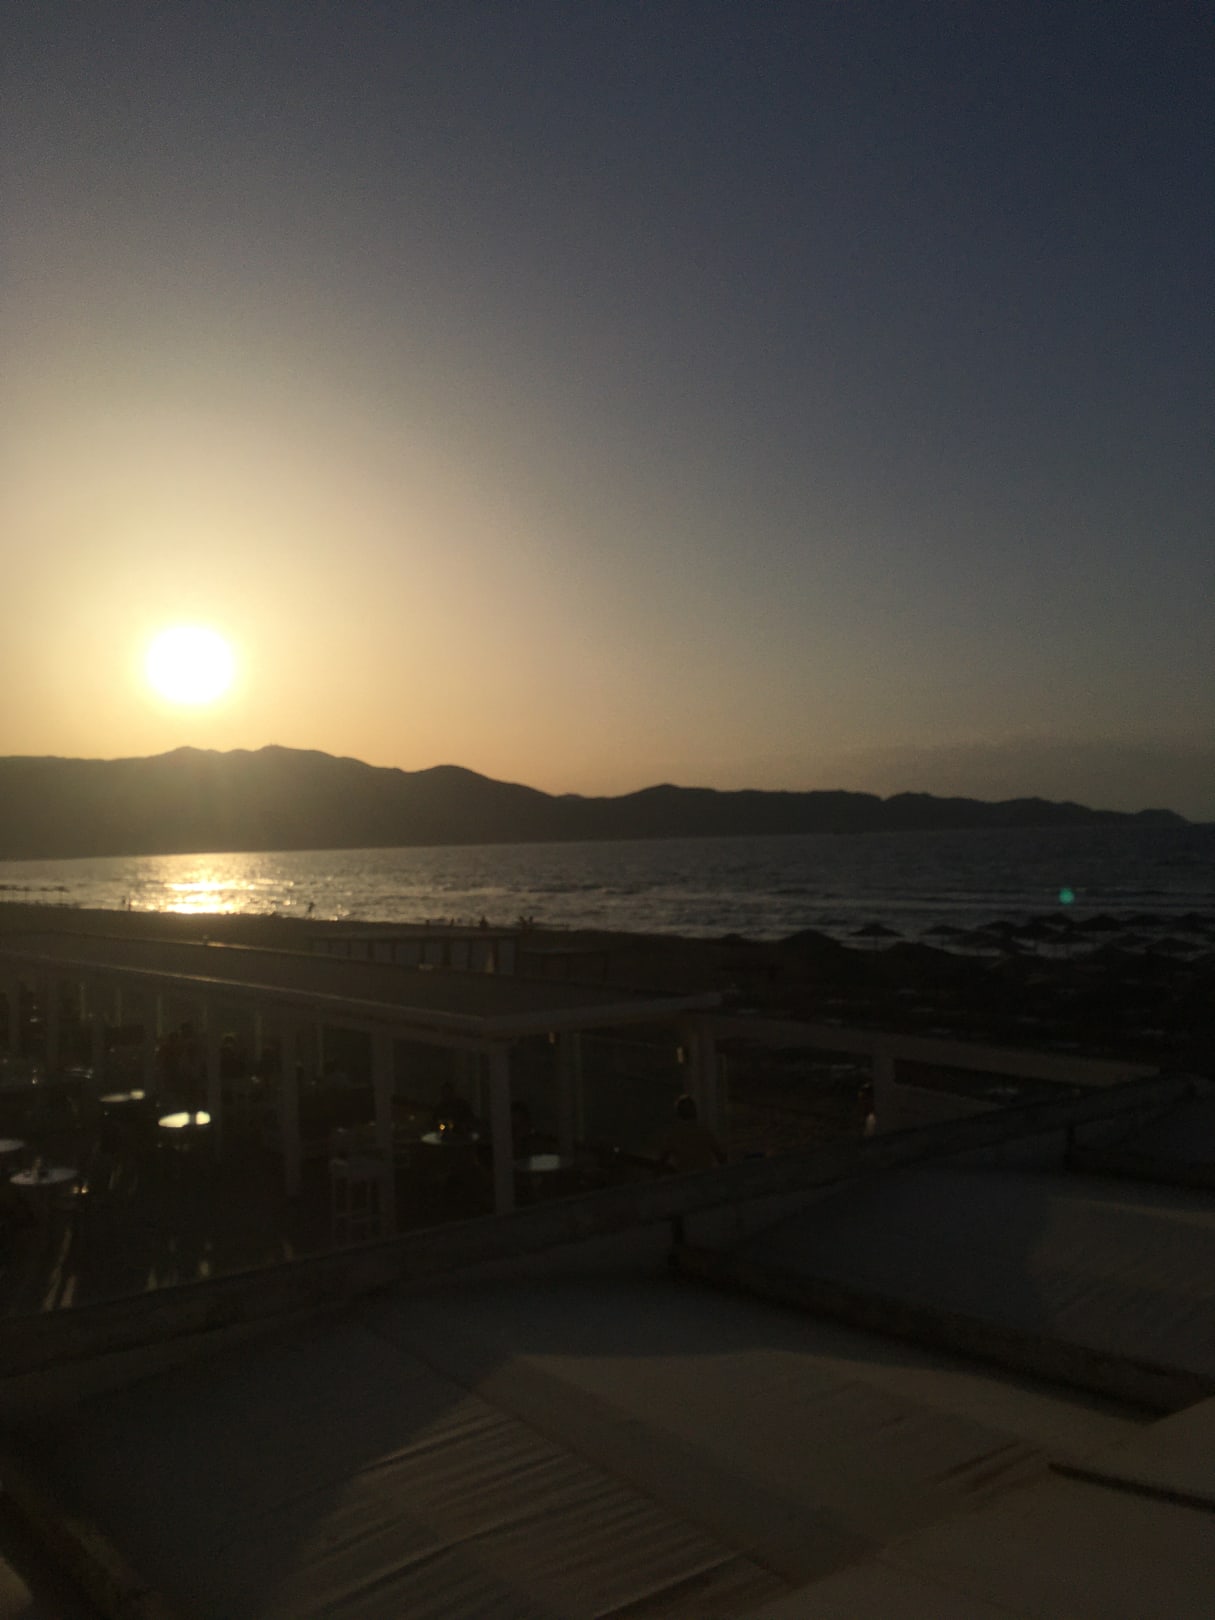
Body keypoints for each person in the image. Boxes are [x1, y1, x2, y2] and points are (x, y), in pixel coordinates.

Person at [656, 1094, 726, 1176]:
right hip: (705, 1178)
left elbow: (661, 1161)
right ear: (695, 1111)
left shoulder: (673, 1134)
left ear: (678, 1113)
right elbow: (720, 1157)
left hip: (685, 1179)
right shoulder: (704, 1131)